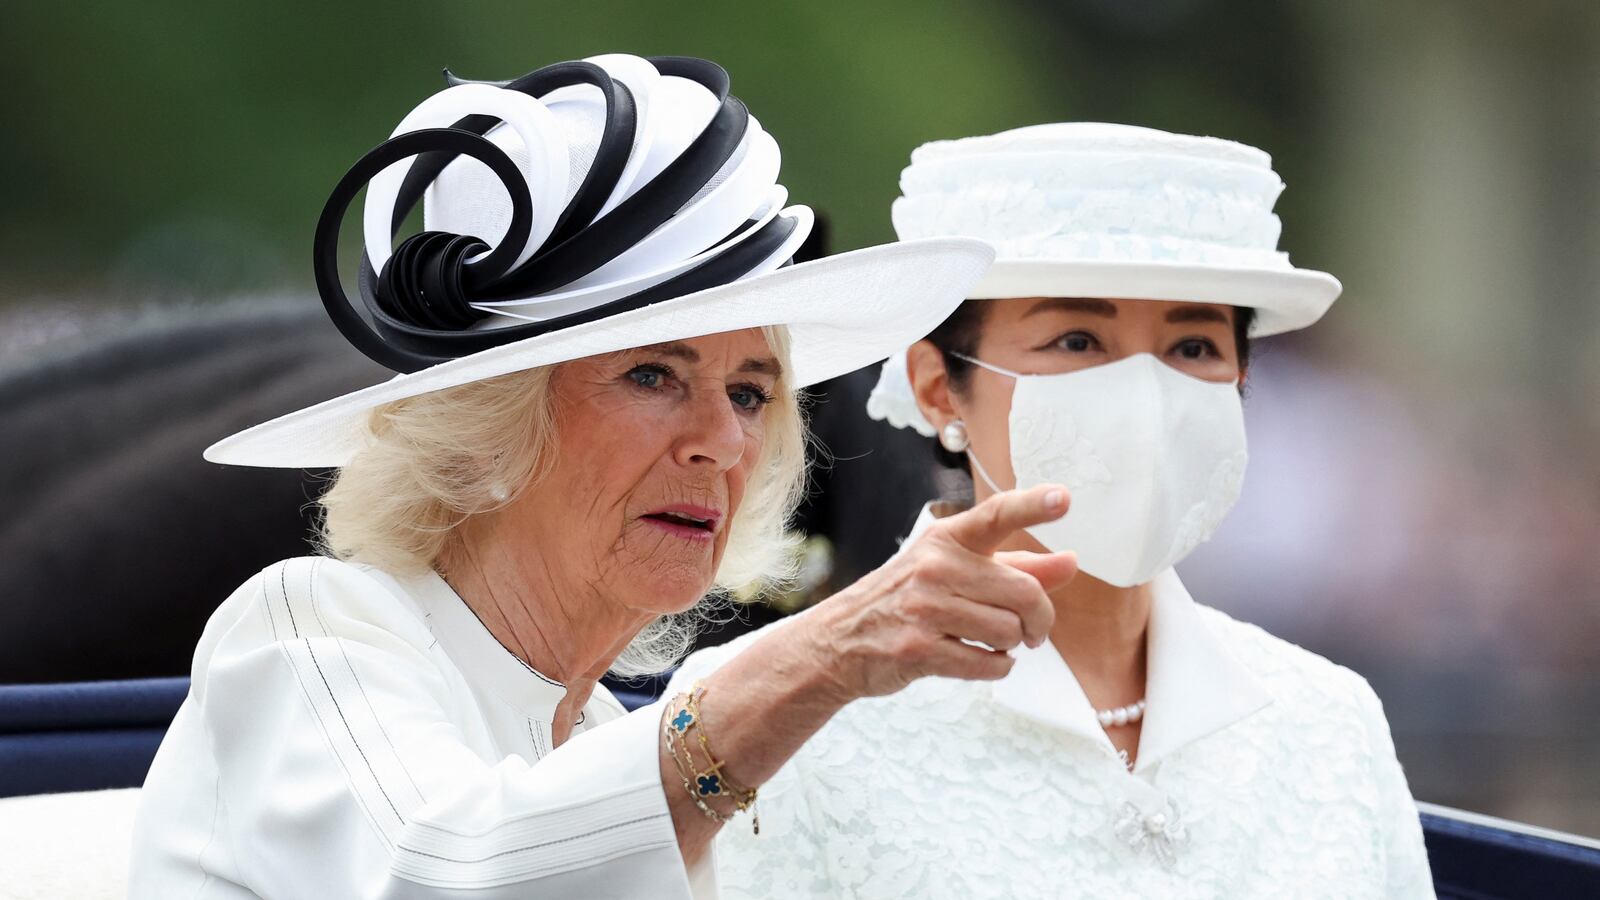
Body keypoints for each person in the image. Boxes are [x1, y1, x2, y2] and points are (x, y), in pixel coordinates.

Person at [128, 57, 1083, 898]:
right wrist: (822, 655)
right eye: (653, 375)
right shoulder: (308, 632)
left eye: (751, 394)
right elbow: (447, 880)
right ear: (487, 428)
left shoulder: (596, 740)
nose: (719, 441)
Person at [675, 123, 1435, 898]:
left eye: (1195, 347)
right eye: (1077, 340)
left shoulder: (1330, 722)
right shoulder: (774, 707)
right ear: (938, 386)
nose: (1147, 398)